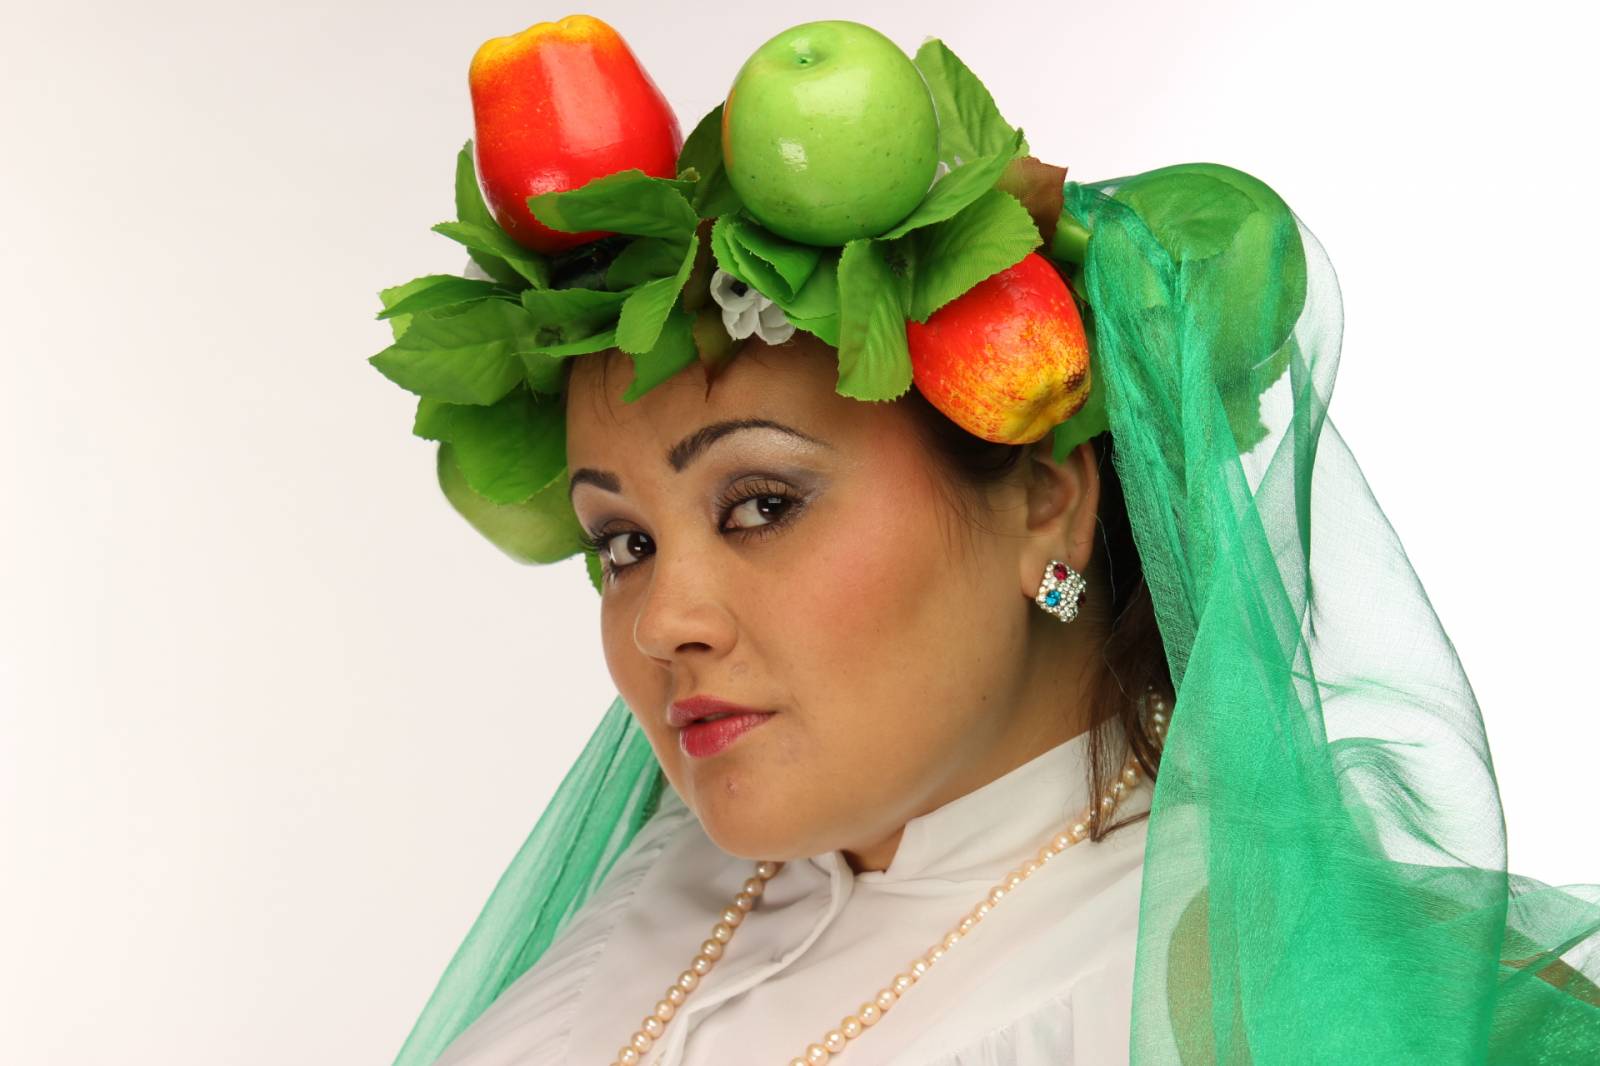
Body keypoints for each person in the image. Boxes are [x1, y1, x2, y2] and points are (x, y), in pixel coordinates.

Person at [370, 15, 1600, 1066]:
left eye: (761, 504)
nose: (660, 620)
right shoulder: (647, 896)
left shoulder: (1272, 999)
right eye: (623, 543)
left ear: (1043, 500)